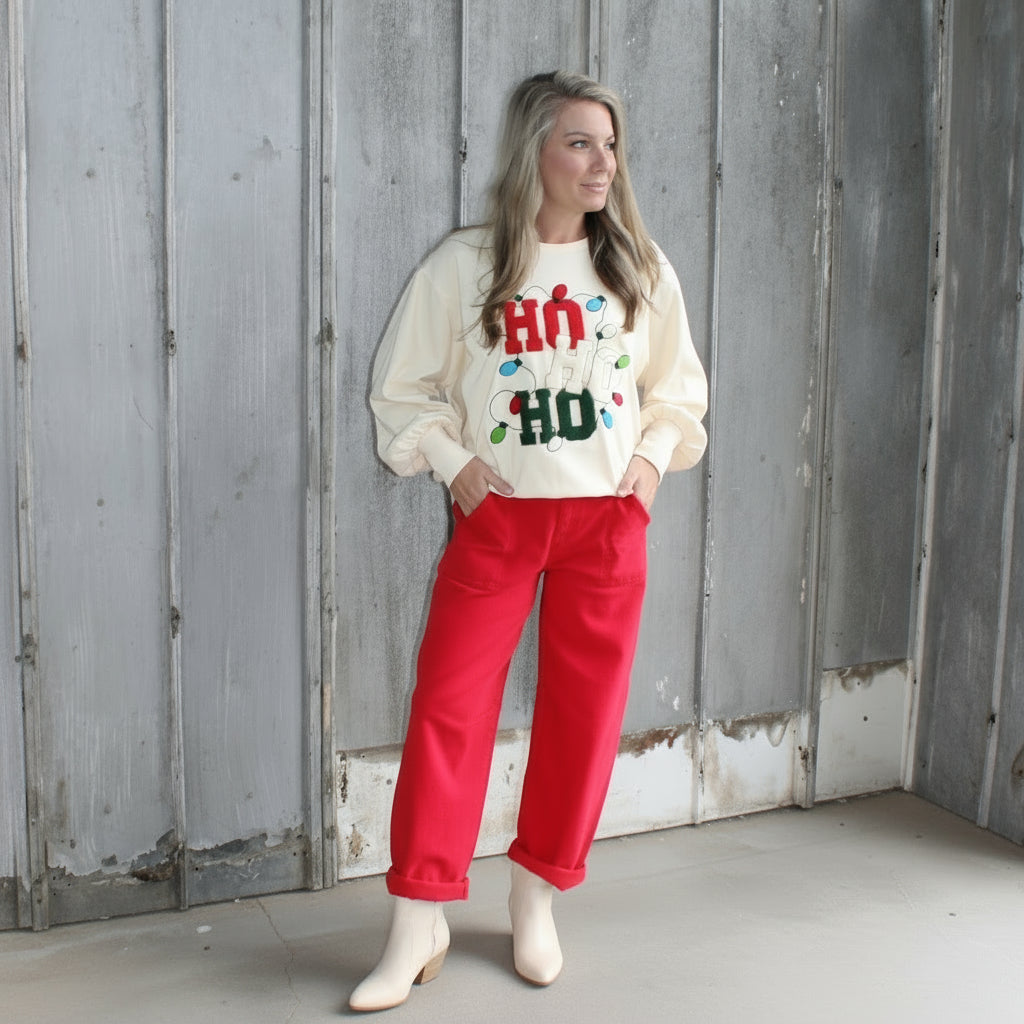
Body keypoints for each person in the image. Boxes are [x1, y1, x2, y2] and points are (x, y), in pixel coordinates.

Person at [350, 70, 708, 1012]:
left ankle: (536, 891)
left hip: (606, 521)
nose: (603, 163)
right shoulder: (469, 264)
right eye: (581, 143)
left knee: (583, 717)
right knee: (448, 710)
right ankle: (416, 916)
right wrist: (451, 462)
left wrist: (651, 462)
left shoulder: (636, 265)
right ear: (535, 153)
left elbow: (677, 389)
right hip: (502, 515)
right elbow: (403, 388)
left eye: (611, 144)